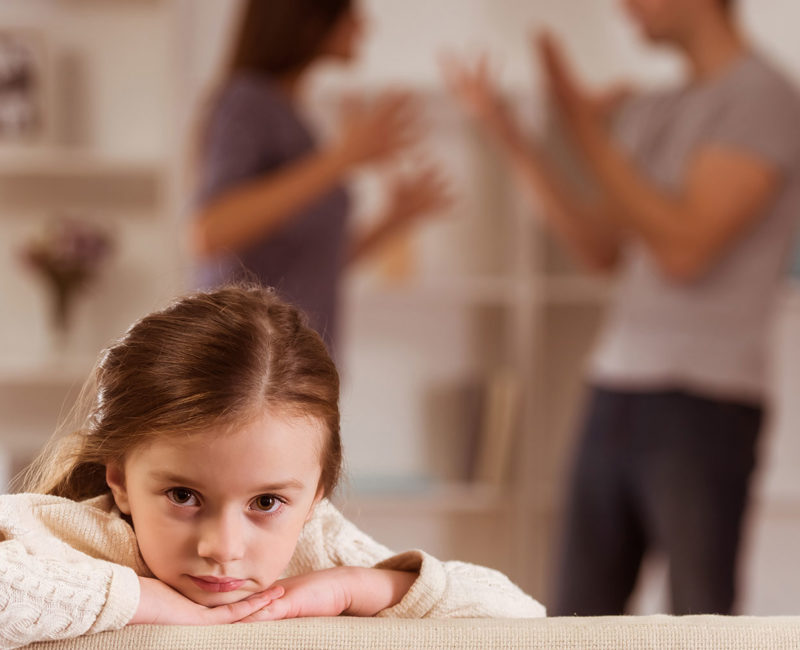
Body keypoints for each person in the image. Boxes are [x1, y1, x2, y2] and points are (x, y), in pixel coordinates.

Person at [444, 0, 800, 615]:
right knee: (579, 617)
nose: (625, 7)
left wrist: (586, 130)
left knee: (700, 620)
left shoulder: (764, 98)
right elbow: (597, 246)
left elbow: (685, 249)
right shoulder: (657, 107)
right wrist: (512, 136)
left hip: (705, 400)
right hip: (614, 388)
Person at [0, 285, 544, 648]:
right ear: (118, 478)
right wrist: (144, 599)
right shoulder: (64, 534)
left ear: (315, 498)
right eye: (183, 496)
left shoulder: (317, 548)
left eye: (266, 503)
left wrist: (358, 587)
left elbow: (522, 619)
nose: (224, 548)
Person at [190, 0, 450, 354]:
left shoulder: (291, 117)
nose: (363, 26)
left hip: (289, 369)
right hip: (249, 369)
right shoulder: (247, 102)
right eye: (349, 14)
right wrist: (342, 158)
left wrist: (392, 220)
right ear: (310, 19)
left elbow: (311, 264)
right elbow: (210, 231)